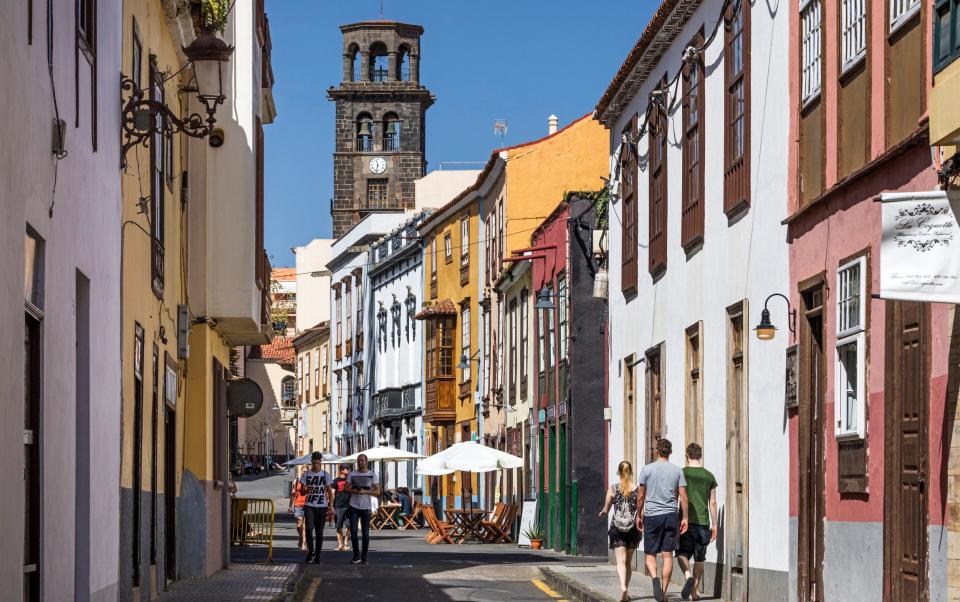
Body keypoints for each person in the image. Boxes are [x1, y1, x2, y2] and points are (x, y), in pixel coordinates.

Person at [637, 439, 688, 602]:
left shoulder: (647, 470)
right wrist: (685, 517)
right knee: (667, 556)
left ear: (657, 452)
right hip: (671, 516)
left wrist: (639, 514)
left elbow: (641, 496)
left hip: (652, 516)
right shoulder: (678, 470)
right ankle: (663, 594)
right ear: (670, 452)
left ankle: (654, 578)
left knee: (650, 555)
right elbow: (684, 497)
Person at [677, 443, 718, 601]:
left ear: (687, 455)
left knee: (682, 554)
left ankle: (688, 575)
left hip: (685, 522)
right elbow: (712, 503)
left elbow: (677, 497)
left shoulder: (681, 473)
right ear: (700, 455)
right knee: (700, 558)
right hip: (703, 522)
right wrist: (715, 525)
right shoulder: (709, 476)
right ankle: (694, 591)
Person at [599, 460, 642, 602]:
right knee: (628, 562)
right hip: (632, 529)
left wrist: (603, 512)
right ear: (630, 473)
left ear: (619, 472)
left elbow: (606, 509)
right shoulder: (637, 489)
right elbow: (641, 509)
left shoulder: (613, 489)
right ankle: (626, 591)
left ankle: (623, 587)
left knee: (620, 562)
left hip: (617, 528)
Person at [299, 451, 335, 563]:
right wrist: (307, 490)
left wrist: (331, 506)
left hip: (322, 506)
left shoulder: (325, 475)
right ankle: (311, 552)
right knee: (309, 529)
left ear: (321, 462)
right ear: (311, 462)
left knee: (319, 532)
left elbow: (329, 492)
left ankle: (318, 555)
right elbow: (302, 492)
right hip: (309, 505)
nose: (316, 465)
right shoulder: (306, 475)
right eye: (314, 463)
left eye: (318, 463)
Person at [346, 453, 381, 565]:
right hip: (354, 506)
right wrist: (355, 491)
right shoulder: (351, 474)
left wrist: (366, 492)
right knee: (354, 532)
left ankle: (364, 557)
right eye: (359, 461)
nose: (360, 463)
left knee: (365, 533)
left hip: (366, 507)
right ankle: (356, 556)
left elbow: (378, 492)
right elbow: (346, 488)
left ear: (366, 461)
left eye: (362, 461)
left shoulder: (372, 475)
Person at [332, 464, 353, 552]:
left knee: (349, 526)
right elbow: (332, 493)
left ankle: (345, 541)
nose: (348, 470)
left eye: (349, 468)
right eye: (346, 468)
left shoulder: (351, 481)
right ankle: (340, 544)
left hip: (349, 506)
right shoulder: (335, 481)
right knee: (339, 526)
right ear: (341, 470)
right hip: (338, 506)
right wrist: (331, 506)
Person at [288, 466, 308, 551]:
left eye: (306, 471)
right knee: (299, 524)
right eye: (303, 471)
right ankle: (301, 537)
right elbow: (293, 494)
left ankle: (304, 542)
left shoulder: (310, 481)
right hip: (298, 504)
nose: (304, 473)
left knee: (305, 526)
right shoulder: (296, 481)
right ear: (301, 472)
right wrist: (290, 505)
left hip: (308, 505)